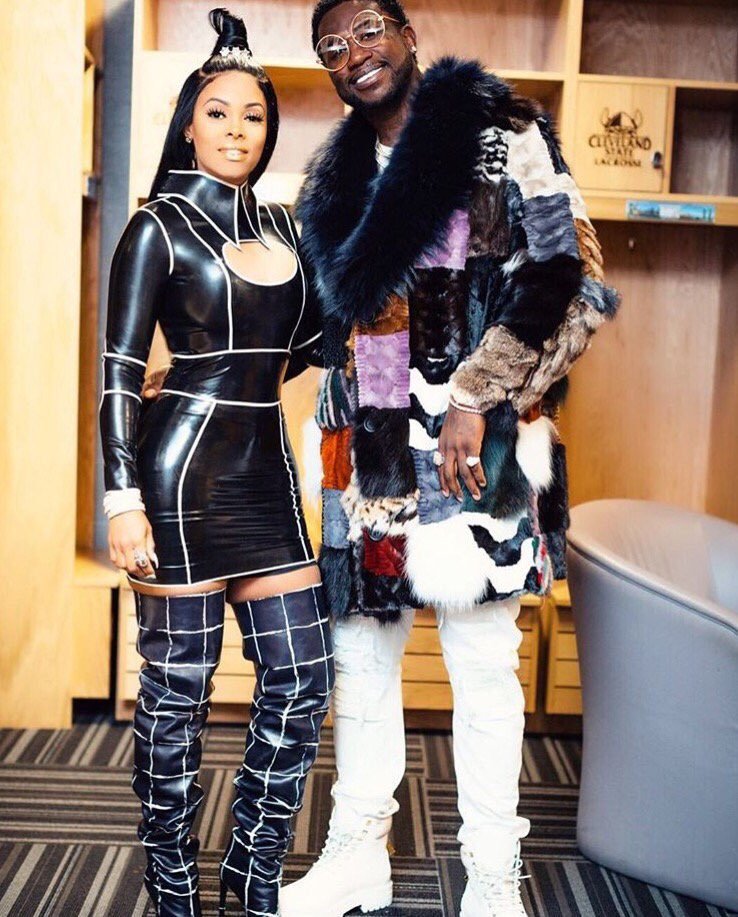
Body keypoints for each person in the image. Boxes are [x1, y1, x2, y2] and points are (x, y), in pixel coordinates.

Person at [278, 2, 620, 916]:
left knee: (481, 660)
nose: (354, 53)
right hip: (368, 453)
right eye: (332, 46)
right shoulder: (334, 178)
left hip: (479, 442)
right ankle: (358, 851)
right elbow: (322, 326)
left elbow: (570, 280)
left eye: (367, 29)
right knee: (361, 655)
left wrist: (479, 392)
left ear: (408, 33)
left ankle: (493, 870)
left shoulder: (501, 130)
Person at [99, 9, 333, 916]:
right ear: (189, 125)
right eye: (218, 113)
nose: (238, 130)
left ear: (270, 132)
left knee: (302, 676)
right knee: (178, 695)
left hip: (265, 476)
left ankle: (251, 863)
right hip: (177, 477)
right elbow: (120, 370)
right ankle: (171, 886)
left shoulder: (286, 227)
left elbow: (302, 348)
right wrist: (121, 498)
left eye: (254, 116)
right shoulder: (156, 227)